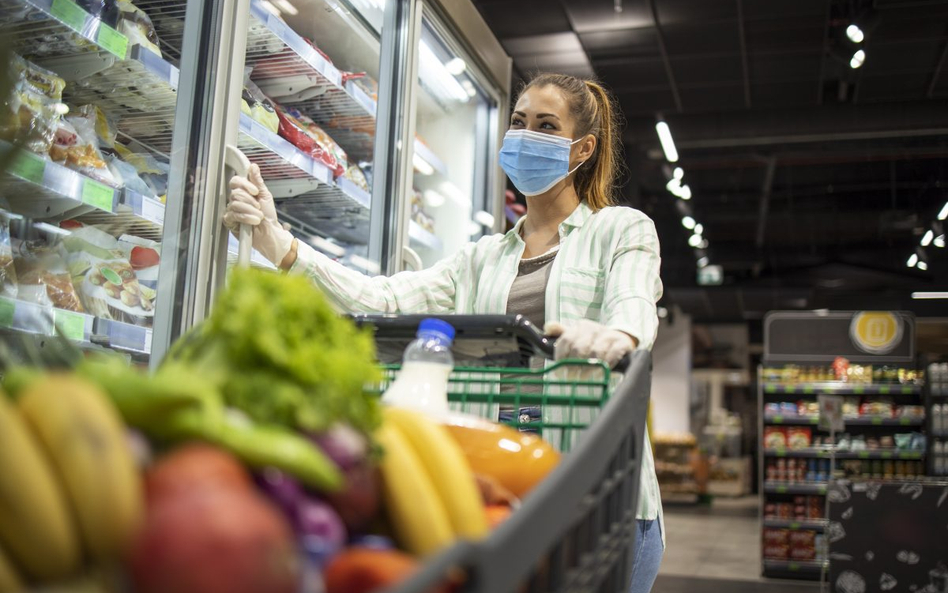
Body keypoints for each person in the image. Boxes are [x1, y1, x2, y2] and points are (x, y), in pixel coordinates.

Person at [225, 72, 665, 592]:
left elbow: (634, 300)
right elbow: (385, 299)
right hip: (512, 494)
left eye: (546, 126)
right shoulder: (482, 257)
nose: (525, 136)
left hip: (603, 497)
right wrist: (281, 245)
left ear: (581, 149)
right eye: (519, 123)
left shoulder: (621, 229)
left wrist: (619, 336)